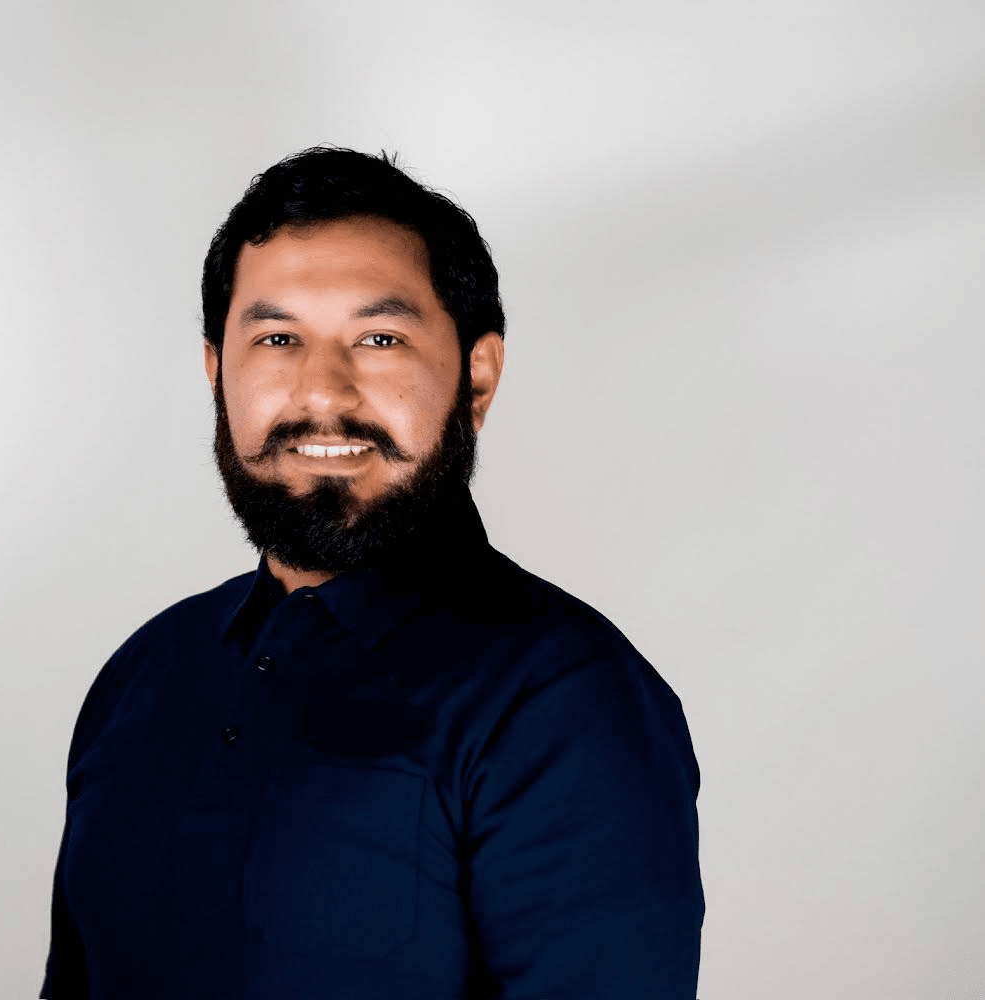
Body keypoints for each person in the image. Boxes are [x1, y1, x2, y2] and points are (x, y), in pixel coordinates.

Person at [40, 146, 704, 999]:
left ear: (476, 377)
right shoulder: (143, 674)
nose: (322, 392)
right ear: (216, 372)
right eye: (277, 339)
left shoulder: (563, 699)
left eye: (379, 338)